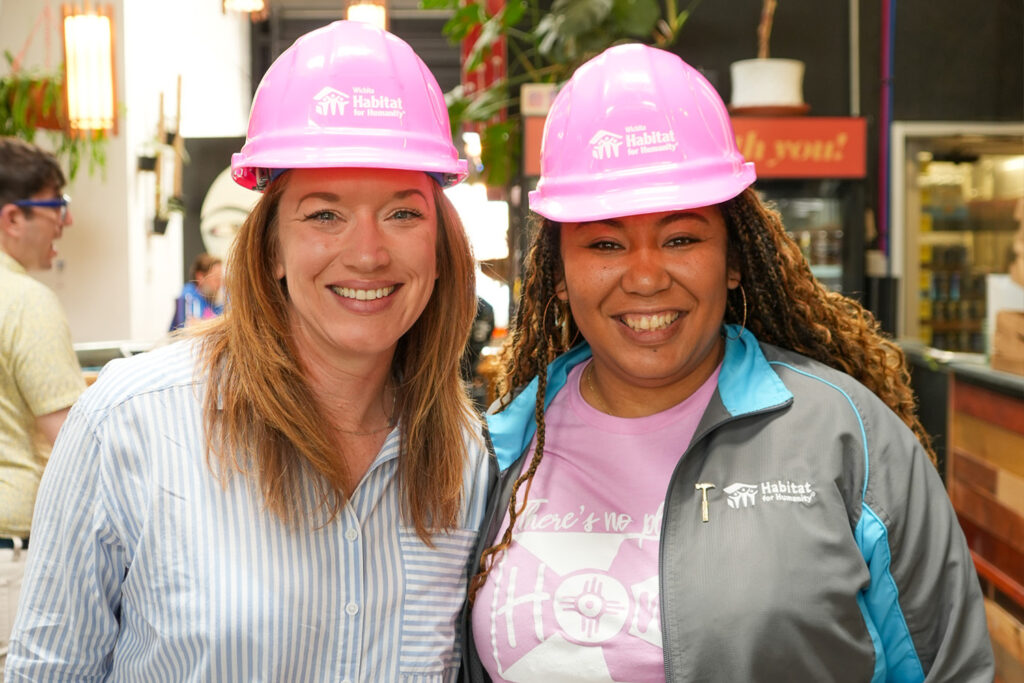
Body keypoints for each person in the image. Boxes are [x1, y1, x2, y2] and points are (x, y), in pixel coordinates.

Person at [463, 44, 994, 682]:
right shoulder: (501, 447)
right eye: (604, 242)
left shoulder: (849, 440)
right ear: (557, 275)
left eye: (681, 237)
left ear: (735, 258)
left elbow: (951, 668)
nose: (645, 276)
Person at [7, 21, 490, 681]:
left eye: (404, 213)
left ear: (440, 249)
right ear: (271, 249)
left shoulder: (460, 454)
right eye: (324, 214)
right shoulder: (132, 424)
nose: (370, 252)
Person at [0, 137, 86, 671]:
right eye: (57, 206)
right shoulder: (25, 301)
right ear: (12, 217)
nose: (66, 222)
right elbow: (77, 442)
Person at [169, 252, 225, 331]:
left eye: (221, 279)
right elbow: (189, 329)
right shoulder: (187, 296)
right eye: (216, 279)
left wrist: (203, 323)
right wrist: (217, 324)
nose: (220, 284)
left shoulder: (217, 298)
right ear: (200, 277)